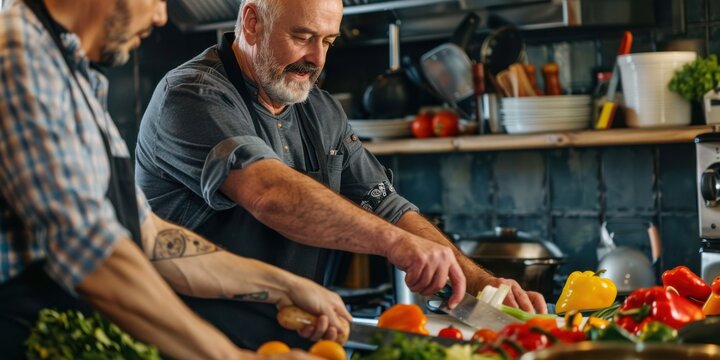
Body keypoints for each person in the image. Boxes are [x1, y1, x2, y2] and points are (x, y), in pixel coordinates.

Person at [136, 0, 548, 349]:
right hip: (190, 344)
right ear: (252, 22)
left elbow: (385, 205)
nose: (317, 59)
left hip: (292, 342)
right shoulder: (193, 94)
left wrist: (482, 286)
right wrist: (396, 245)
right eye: (302, 37)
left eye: (328, 41)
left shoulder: (320, 110)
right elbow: (268, 192)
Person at [0, 0, 349, 358]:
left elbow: (149, 236)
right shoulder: (17, 57)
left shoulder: (70, 72)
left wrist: (283, 286)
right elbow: (93, 254)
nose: (160, 16)